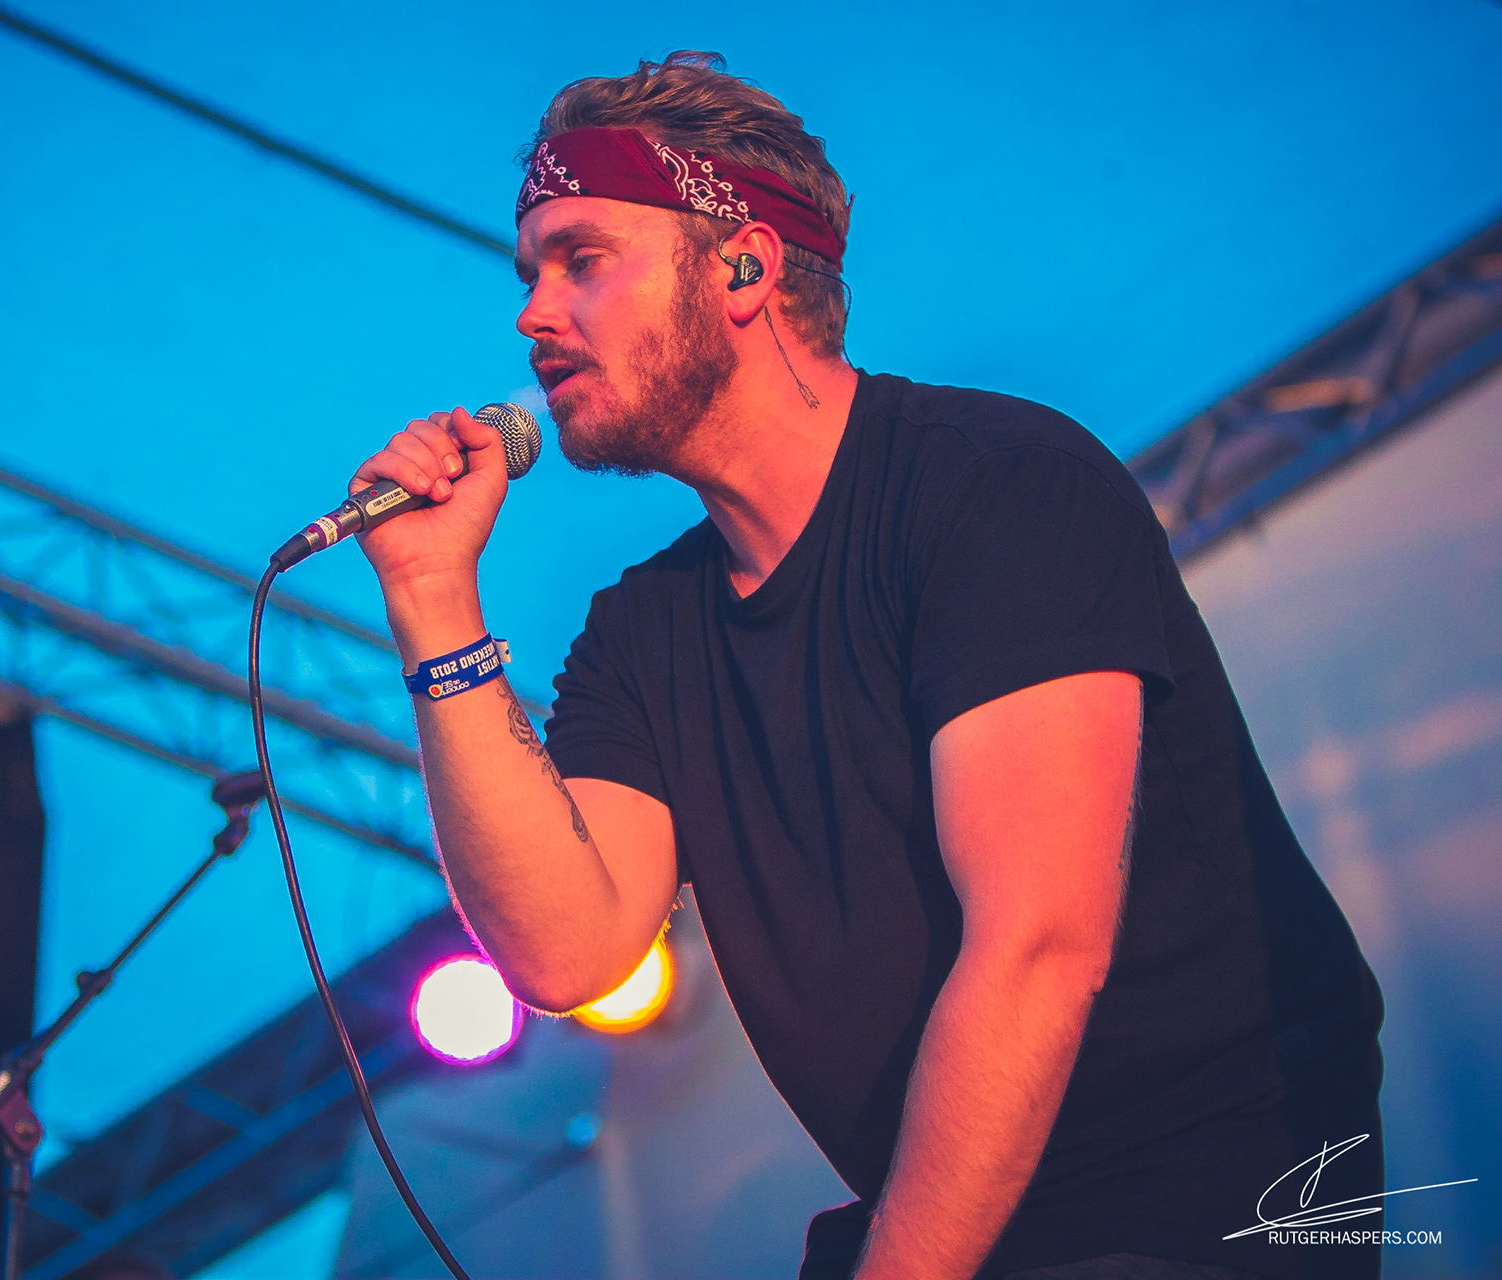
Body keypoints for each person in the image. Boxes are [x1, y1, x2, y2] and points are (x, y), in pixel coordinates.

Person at [349, 52, 1384, 1280]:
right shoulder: (644, 633)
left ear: (742, 266)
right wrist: (432, 602)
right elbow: (565, 953)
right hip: (951, 1220)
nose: (533, 315)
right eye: (531, 274)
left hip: (1203, 1211)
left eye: (581, 259)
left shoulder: (996, 484)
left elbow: (1038, 951)